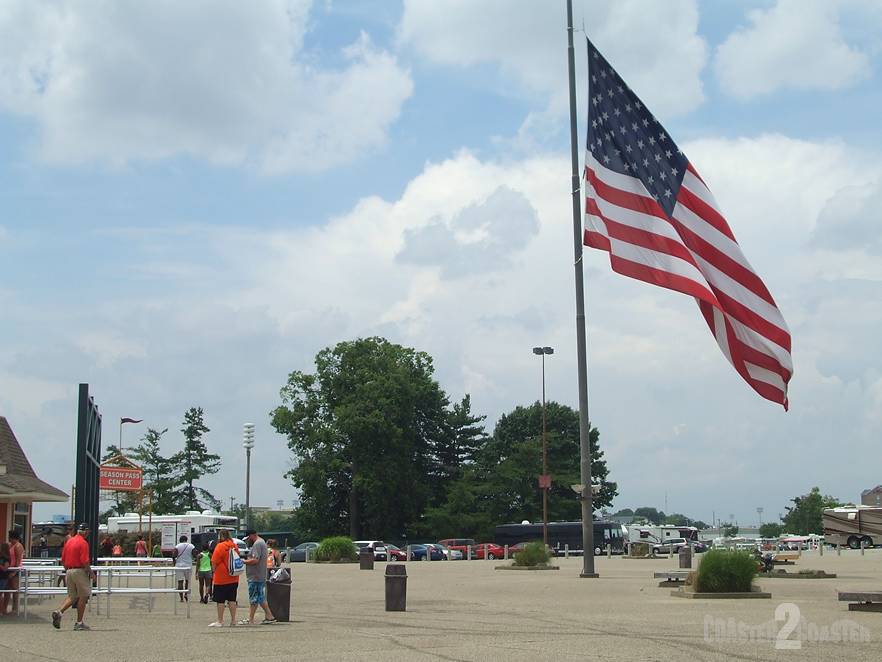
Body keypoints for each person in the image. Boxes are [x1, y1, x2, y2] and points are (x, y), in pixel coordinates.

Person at [52, 523, 95, 631]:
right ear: (84, 531)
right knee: (83, 596)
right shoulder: (83, 543)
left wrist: (67, 570)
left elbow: (63, 559)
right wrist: (91, 573)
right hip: (79, 570)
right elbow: (85, 560)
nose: (88, 534)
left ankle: (59, 612)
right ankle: (79, 622)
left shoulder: (69, 541)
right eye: (88, 531)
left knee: (72, 596)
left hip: (69, 570)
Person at [240, 530, 276, 625]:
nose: (248, 541)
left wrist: (243, 561)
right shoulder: (262, 542)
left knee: (254, 597)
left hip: (255, 576)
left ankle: (251, 619)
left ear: (252, 535)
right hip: (259, 574)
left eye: (248, 538)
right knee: (260, 597)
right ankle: (269, 616)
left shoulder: (257, 544)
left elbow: (255, 560)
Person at [208, 529, 239, 627]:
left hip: (221, 578)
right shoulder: (234, 545)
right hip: (234, 576)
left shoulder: (220, 546)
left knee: (220, 600)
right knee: (232, 599)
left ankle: (220, 620)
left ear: (220, 536)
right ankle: (233, 620)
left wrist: (213, 571)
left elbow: (214, 561)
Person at [6, 530, 24, 615]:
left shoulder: (18, 546)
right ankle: (6, 607)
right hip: (9, 568)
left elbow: (18, 560)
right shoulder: (10, 545)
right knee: (8, 588)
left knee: (15, 589)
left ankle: (15, 608)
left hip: (16, 569)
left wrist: (14, 571)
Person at [173, 535, 195, 602]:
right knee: (187, 581)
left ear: (180, 540)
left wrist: (174, 564)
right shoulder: (191, 546)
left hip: (179, 565)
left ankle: (181, 598)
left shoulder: (177, 546)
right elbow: (194, 554)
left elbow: (174, 555)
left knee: (180, 582)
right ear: (186, 539)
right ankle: (186, 594)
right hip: (188, 565)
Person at [0, 542, 10, 616]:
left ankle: (1, 610)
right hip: (1, 577)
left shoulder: (6, 558)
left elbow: (5, 568)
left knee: (1, 593)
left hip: (3, 578)